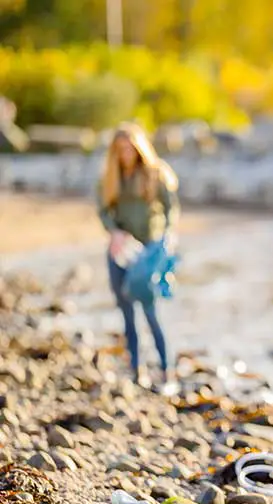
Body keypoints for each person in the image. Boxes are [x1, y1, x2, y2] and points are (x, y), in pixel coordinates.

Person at [97, 122, 180, 394]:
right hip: (121, 252)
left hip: (148, 252)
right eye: (120, 149)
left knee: (151, 312)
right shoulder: (110, 176)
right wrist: (115, 232)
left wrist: (165, 239)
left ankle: (167, 371)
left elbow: (171, 210)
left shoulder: (155, 173)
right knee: (126, 314)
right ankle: (136, 370)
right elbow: (103, 210)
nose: (125, 154)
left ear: (139, 147)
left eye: (130, 148)